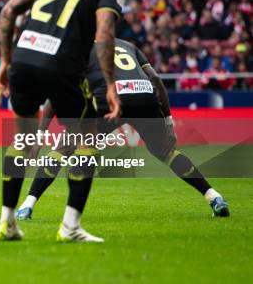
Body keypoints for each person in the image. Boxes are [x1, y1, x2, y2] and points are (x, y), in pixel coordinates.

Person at [0, 0, 123, 242]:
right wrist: (109, 83)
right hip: (62, 64)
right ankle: (70, 227)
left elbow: (9, 9)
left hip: (24, 57)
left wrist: (5, 60)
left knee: (22, 142)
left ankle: (7, 223)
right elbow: (104, 31)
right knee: (87, 139)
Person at [16, 39, 230, 220]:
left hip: (110, 99)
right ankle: (214, 197)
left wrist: (40, 134)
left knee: (63, 148)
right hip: (144, 97)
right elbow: (155, 80)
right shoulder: (128, 45)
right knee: (166, 152)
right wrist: (168, 122)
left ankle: (27, 206)